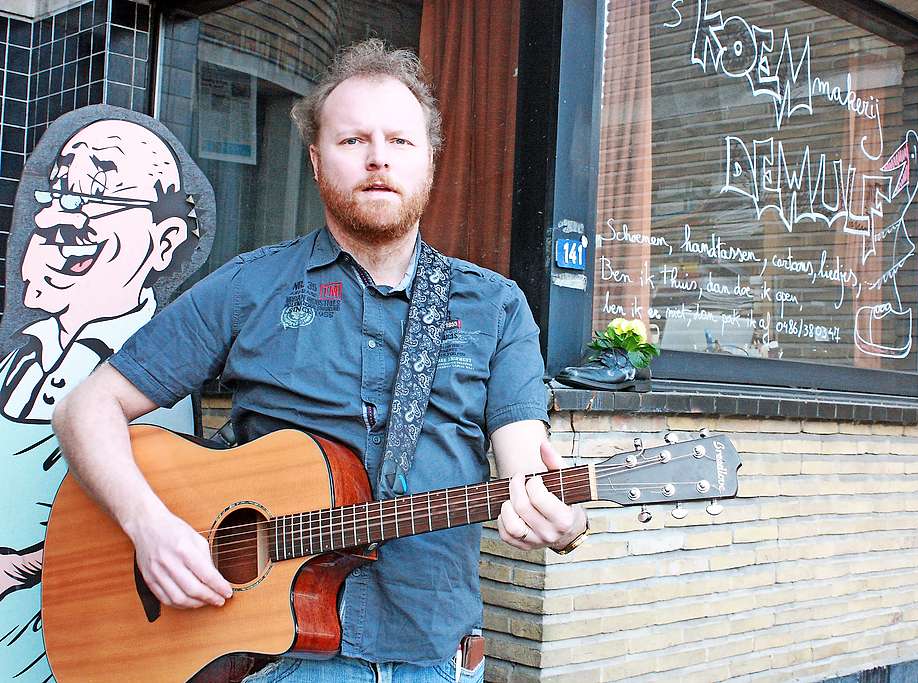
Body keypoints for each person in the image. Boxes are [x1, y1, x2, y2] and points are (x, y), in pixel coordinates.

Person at [52, 39, 588, 683]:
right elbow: (88, 408)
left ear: (430, 162)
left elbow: (524, 461)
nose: (378, 158)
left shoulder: (497, 307)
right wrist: (149, 525)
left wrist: (555, 517)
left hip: (433, 659)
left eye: (400, 141)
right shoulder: (250, 286)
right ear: (314, 160)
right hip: (270, 658)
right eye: (352, 139)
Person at [1, 117, 199, 683]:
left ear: (164, 244)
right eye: (58, 192)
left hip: (70, 653)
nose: (53, 218)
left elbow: (153, 537)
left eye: (95, 195)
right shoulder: (23, 352)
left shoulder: (151, 379)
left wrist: (24, 568)